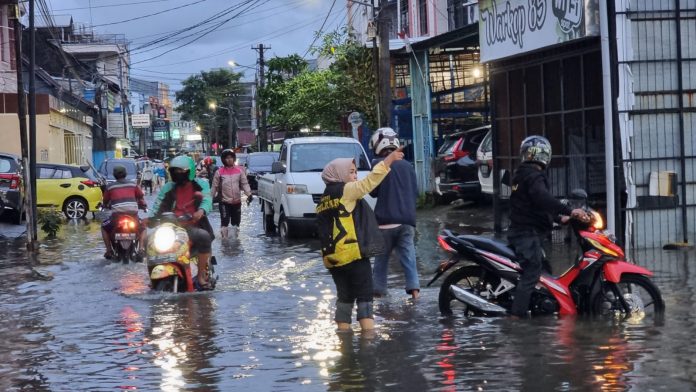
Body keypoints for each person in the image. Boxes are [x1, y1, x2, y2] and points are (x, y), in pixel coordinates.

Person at [316, 147, 404, 332]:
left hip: (333, 259)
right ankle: (368, 341)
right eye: (350, 172)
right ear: (338, 174)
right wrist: (388, 160)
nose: (355, 175)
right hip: (352, 255)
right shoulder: (345, 190)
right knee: (365, 296)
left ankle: (344, 339)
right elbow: (369, 183)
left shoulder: (323, 199)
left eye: (356, 171)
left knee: (344, 297)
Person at [507, 135, 589, 318]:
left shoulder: (522, 175)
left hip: (524, 232)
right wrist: (569, 211)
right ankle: (516, 318)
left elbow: (535, 205)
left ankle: (540, 309)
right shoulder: (533, 176)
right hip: (526, 234)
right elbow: (543, 199)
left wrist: (561, 219)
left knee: (546, 272)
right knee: (533, 271)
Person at [368, 128, 421, 300]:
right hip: (407, 222)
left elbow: (372, 191)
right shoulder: (408, 166)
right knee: (409, 260)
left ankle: (378, 294)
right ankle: (415, 294)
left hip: (385, 222)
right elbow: (415, 192)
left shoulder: (379, 165)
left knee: (381, 262)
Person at [149, 155, 215, 290]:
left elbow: (207, 200)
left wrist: (201, 211)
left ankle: (202, 276)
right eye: (175, 171)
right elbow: (157, 204)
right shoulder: (168, 187)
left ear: (189, 171)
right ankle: (151, 277)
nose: (178, 174)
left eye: (181, 171)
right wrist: (149, 220)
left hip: (191, 226)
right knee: (148, 240)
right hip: (169, 228)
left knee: (203, 236)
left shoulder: (201, 184)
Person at [101, 165, 148, 259]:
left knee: (103, 227)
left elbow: (105, 200)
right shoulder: (133, 185)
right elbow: (140, 196)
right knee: (143, 227)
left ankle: (109, 250)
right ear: (126, 174)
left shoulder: (110, 187)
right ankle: (141, 249)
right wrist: (144, 206)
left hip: (116, 217)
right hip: (133, 216)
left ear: (114, 175)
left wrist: (104, 205)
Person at [210, 149, 252, 239]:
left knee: (236, 223)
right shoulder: (219, 172)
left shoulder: (239, 171)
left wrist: (249, 194)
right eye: (227, 158)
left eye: (231, 158)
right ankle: (224, 241)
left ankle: (235, 240)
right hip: (224, 201)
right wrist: (210, 199)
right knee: (225, 221)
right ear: (223, 160)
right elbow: (214, 187)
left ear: (234, 159)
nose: (229, 160)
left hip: (237, 202)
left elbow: (244, 183)